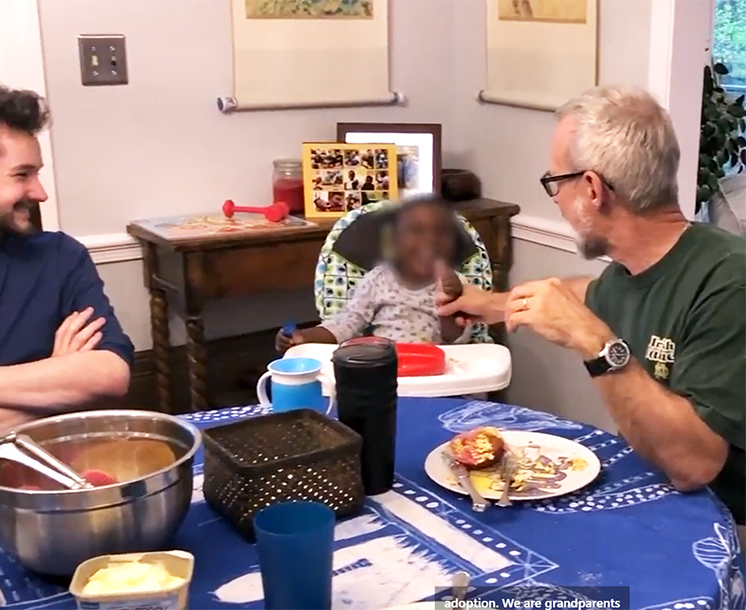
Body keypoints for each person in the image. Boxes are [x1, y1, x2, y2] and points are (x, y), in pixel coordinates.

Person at [436, 84, 746, 540]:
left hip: (722, 534)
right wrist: (491, 304)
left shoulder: (730, 282)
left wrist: (597, 344)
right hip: (652, 502)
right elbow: (586, 292)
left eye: (554, 183)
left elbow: (693, 466)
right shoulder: (635, 270)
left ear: (592, 188)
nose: (555, 200)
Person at [0, 78, 134, 437]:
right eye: (21, 175)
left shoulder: (60, 258)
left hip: (51, 474)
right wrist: (54, 385)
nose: (39, 192)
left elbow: (109, 373)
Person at [276, 196, 473, 353]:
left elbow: (458, 340)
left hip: (439, 372)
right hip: (386, 369)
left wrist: (450, 302)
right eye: (416, 231)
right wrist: (304, 337)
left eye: (441, 233)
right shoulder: (378, 279)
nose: (430, 240)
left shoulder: (458, 285)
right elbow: (346, 323)